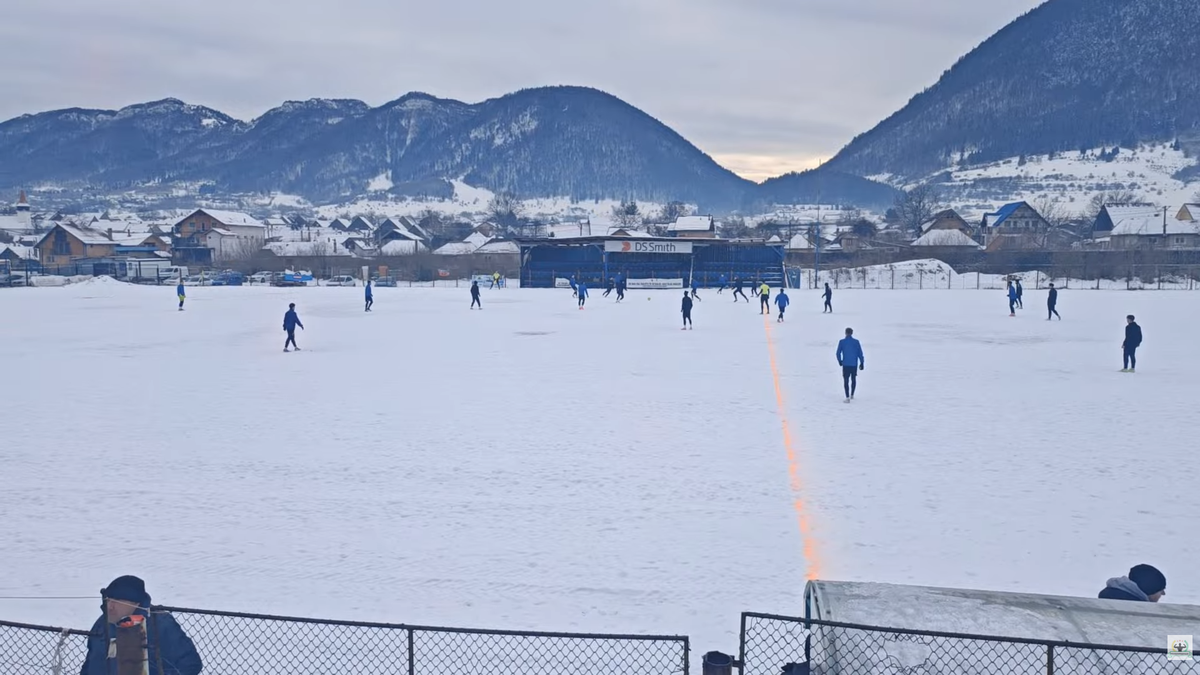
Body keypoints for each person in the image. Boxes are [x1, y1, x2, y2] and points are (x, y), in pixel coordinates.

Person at [82, 575, 203, 675]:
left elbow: (190, 664)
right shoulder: (102, 624)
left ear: (135, 603)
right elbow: (90, 664)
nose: (110, 606)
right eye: (108, 600)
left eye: (116, 602)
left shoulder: (160, 624)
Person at [1098, 564, 1166, 602]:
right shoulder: (1137, 612)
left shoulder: (1106, 601)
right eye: (1161, 590)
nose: (1163, 593)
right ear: (1150, 590)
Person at [836, 327, 865, 402]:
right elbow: (860, 353)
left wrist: (840, 361)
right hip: (854, 364)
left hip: (846, 364)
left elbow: (838, 353)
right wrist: (862, 362)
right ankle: (852, 394)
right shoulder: (856, 342)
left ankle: (847, 396)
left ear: (845, 333)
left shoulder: (842, 342)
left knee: (846, 380)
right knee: (853, 379)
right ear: (852, 333)